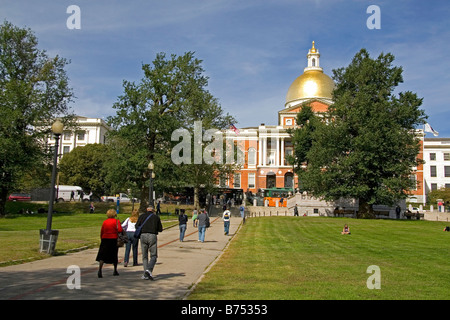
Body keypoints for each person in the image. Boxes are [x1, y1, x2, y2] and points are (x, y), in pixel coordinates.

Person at [135, 205, 163, 280]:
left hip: (143, 235)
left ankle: (145, 273)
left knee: (144, 256)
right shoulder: (156, 217)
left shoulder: (142, 216)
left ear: (147, 209)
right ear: (153, 210)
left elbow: (137, 226)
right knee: (153, 255)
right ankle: (149, 269)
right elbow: (160, 229)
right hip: (152, 235)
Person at [96, 209, 123, 278]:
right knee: (114, 254)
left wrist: (102, 238)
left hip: (105, 238)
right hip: (113, 239)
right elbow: (120, 230)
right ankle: (115, 270)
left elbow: (102, 231)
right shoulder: (116, 221)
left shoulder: (105, 222)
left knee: (102, 254)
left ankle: (100, 269)